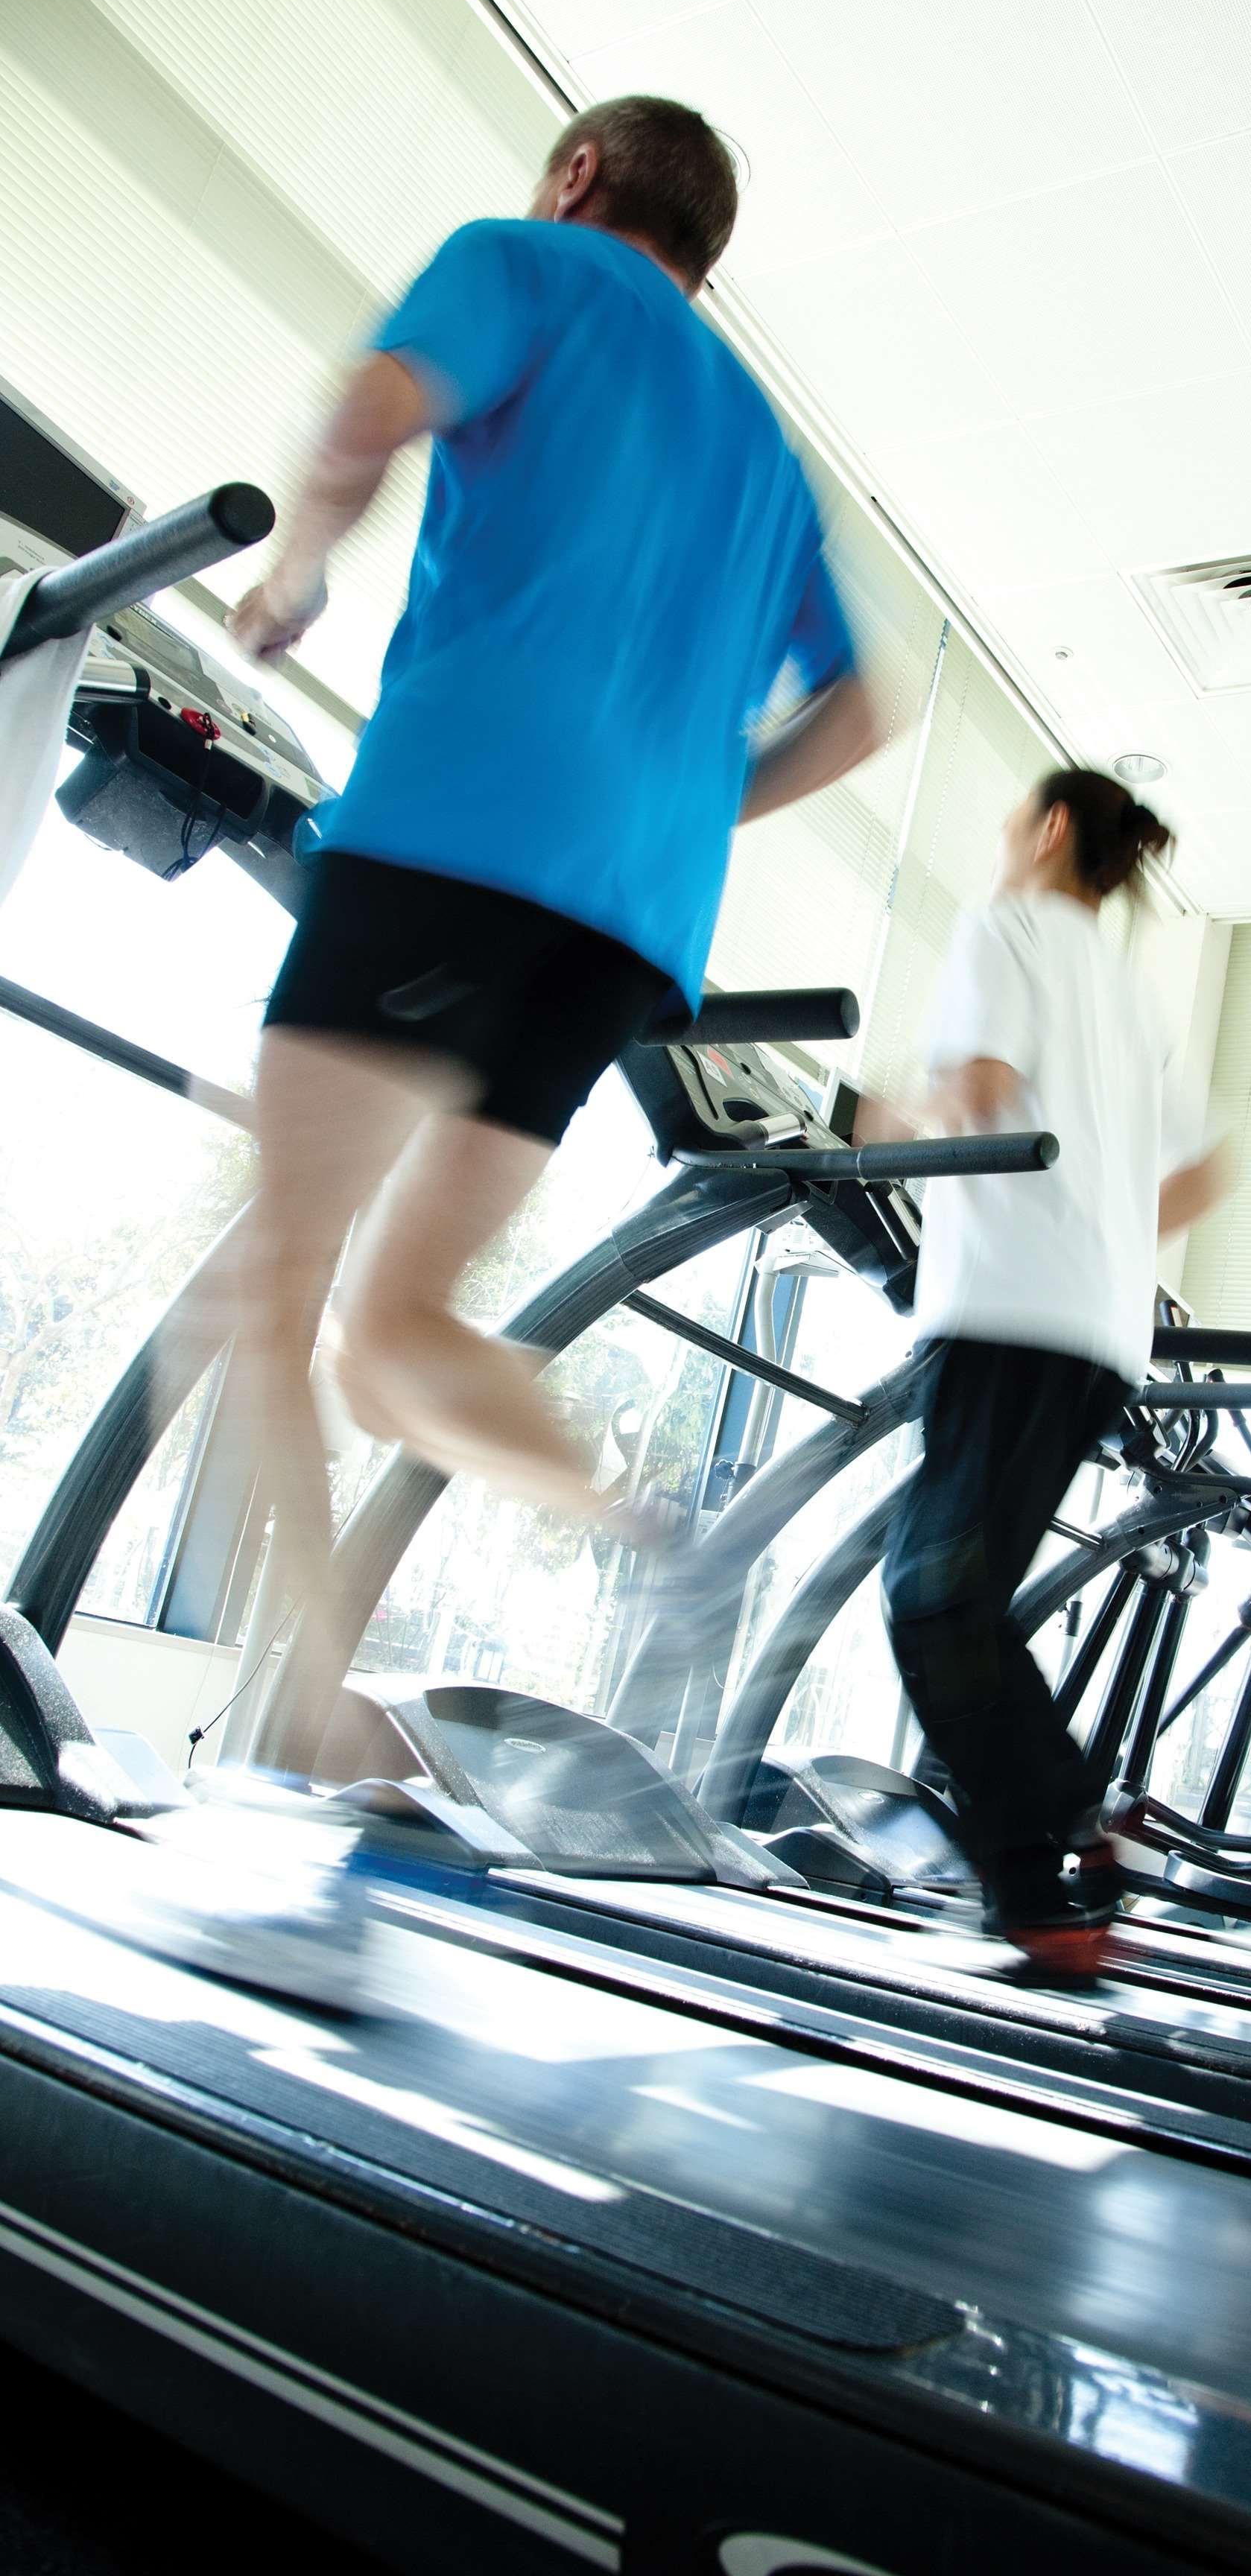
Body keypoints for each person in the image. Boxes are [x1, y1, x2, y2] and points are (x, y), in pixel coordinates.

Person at [224, 96, 878, 1771]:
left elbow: (373, 407)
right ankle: (652, 1533)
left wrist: (299, 563)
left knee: (266, 1294)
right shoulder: (762, 442)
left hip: (455, 839)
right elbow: (862, 714)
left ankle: (304, 1720)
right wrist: (676, 805)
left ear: (579, 176)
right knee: (396, 1335)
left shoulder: (521, 263)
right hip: (622, 927)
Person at [876, 769, 1229, 1984]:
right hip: (1092, 1335)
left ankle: (1062, 1838)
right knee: (955, 1604)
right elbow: (1205, 1171)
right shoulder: (1130, 995)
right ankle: (1058, 1864)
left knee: (933, 1602)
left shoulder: (1004, 928)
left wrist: (889, 1124)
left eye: (1009, 816)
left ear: (1053, 828)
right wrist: (1111, 1230)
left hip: (1010, 1312)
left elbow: (975, 1095)